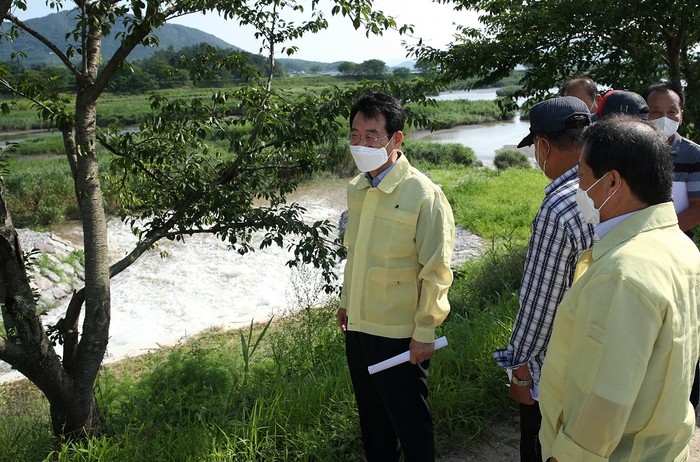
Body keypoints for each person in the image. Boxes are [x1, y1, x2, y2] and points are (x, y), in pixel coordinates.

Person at [539, 115, 700, 462]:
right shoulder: (681, 245)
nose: (579, 188)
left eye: (583, 177)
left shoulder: (622, 274)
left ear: (612, 182)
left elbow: (605, 399)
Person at [336, 92, 455, 462]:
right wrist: (345, 302)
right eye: (355, 135)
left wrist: (425, 330)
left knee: (410, 424)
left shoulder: (424, 195)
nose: (361, 144)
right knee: (373, 423)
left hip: (400, 337)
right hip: (359, 328)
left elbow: (436, 271)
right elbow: (356, 255)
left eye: (372, 136)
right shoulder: (358, 189)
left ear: (396, 139)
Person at [494, 96, 595, 462]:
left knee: (542, 448)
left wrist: (520, 370)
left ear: (544, 146)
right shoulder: (614, 186)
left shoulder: (558, 208)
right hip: (599, 356)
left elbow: (541, 304)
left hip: (555, 370)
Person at [642, 82, 700, 237]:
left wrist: (658, 235)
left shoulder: (694, 155)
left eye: (672, 112)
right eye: (656, 112)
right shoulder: (629, 151)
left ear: (681, 116)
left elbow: (697, 207)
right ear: (644, 114)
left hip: (677, 241)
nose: (665, 118)